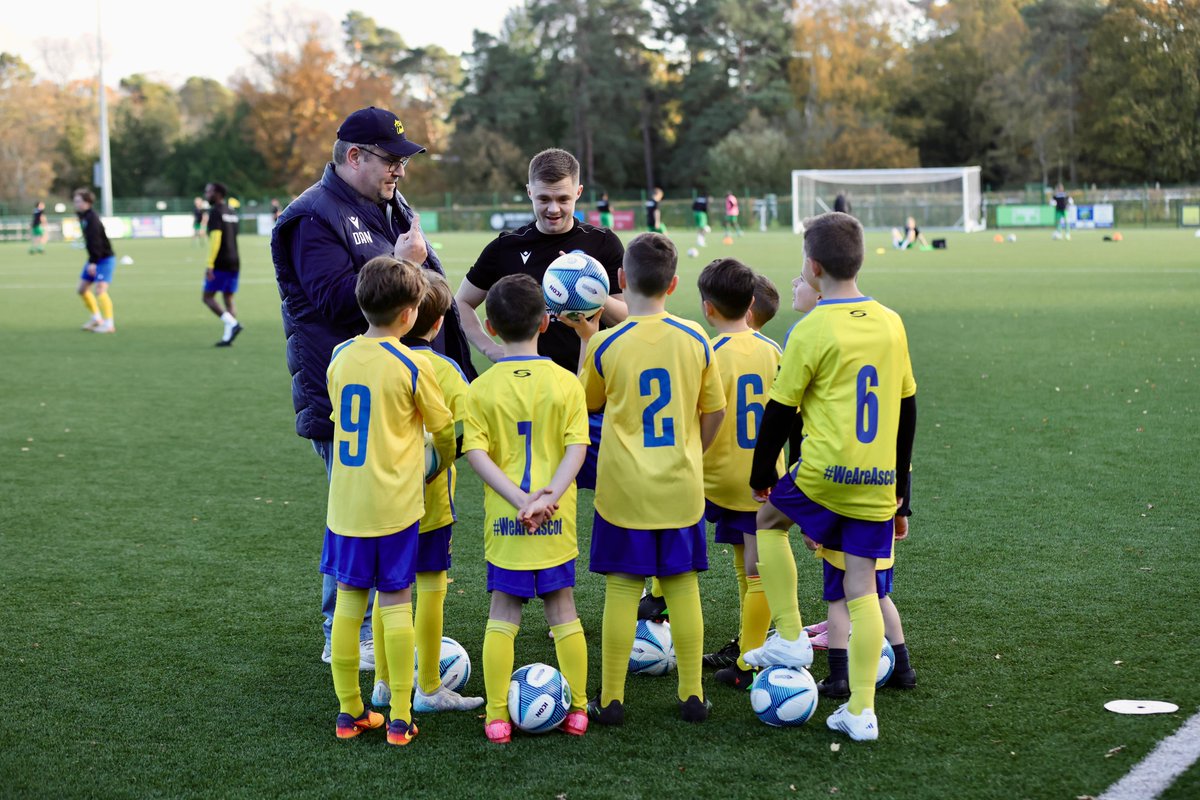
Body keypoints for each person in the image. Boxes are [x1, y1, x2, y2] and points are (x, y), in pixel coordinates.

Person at [272, 105, 475, 668]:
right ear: (354, 156)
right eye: (392, 160)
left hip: (402, 390)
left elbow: (428, 295)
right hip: (346, 398)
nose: (401, 172)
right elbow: (335, 299)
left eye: (404, 161)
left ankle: (384, 621)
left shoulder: (389, 202)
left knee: (395, 509)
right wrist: (398, 260)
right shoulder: (312, 218)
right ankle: (346, 630)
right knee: (358, 510)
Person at [744, 211, 917, 742]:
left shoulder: (811, 326)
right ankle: (862, 712)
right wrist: (901, 494)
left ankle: (793, 634)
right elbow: (908, 410)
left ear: (813, 267)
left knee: (768, 523)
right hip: (877, 480)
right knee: (862, 589)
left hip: (822, 473)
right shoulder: (890, 321)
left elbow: (780, 410)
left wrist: (760, 473)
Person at [577, 233, 727, 725]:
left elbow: (587, 405)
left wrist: (584, 340)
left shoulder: (605, 342)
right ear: (675, 283)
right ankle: (692, 695)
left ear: (620, 280)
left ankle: (613, 699)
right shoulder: (696, 338)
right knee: (682, 586)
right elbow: (714, 412)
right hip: (680, 486)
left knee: (622, 588)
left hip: (623, 490)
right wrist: (692, 453)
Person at [321, 255, 455, 746]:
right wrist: (437, 464)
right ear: (410, 315)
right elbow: (443, 432)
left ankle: (349, 711)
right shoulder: (412, 364)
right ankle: (400, 716)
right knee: (397, 602)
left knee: (351, 606)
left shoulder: (339, 356)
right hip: (395, 506)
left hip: (346, 506)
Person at [463, 274, 591, 743]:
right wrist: (548, 498)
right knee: (563, 610)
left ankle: (498, 715)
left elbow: (476, 454)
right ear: (544, 322)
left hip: (507, 519)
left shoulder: (481, 388)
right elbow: (578, 448)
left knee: (503, 611)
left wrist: (520, 501)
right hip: (556, 519)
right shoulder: (564, 382)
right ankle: (578, 710)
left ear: (491, 328)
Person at [369, 273, 484, 715]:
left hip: (381, 502)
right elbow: (467, 427)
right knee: (430, 587)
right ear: (436, 324)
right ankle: (430, 687)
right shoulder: (445, 370)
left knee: (388, 590)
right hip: (430, 506)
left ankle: (382, 683)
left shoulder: (376, 360)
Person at [690, 259, 787, 692]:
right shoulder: (774, 351)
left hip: (717, 475)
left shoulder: (709, 353)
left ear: (707, 308)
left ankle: (750, 659)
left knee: (747, 569)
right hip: (763, 475)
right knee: (755, 568)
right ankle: (751, 651)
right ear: (751, 305)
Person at [455, 148, 626, 374]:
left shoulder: (603, 243)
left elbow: (627, 319)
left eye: (563, 199)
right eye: (543, 198)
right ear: (529, 192)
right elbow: (460, 304)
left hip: (591, 388)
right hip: (526, 388)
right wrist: (490, 349)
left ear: (578, 192)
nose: (553, 209)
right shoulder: (506, 247)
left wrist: (590, 286)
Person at [803, 533, 917, 699]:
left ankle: (838, 678)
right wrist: (901, 514)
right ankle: (903, 669)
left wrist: (809, 530)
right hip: (880, 533)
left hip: (845, 539)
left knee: (839, 600)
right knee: (880, 596)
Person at [201, 182, 243, 347]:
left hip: (221, 261)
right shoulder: (231, 211)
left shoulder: (216, 212)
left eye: (208, 191)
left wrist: (210, 263)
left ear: (217, 193)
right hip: (235, 260)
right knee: (228, 297)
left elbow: (215, 239)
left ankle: (232, 324)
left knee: (207, 297)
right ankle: (228, 338)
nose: (206, 194)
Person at [74, 189, 117, 334]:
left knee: (100, 290)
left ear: (87, 202)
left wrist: (93, 262)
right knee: (82, 289)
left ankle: (109, 324)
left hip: (103, 259)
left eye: (78, 201)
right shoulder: (83, 217)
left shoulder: (92, 218)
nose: (76, 203)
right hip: (94, 258)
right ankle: (96, 318)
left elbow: (96, 242)